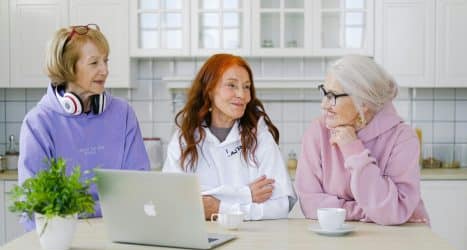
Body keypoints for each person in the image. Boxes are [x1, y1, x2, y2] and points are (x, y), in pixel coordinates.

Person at [18, 24, 150, 229]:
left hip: (119, 233)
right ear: (68, 68)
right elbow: (35, 206)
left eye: (105, 61)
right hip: (61, 238)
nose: (104, 70)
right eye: (94, 63)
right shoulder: (38, 123)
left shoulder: (122, 113)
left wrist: (76, 210)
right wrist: (106, 208)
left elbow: (139, 189)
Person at [295, 55, 429, 226]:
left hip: (398, 239)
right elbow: (310, 204)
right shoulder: (318, 131)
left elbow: (394, 211)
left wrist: (353, 149)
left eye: (332, 96)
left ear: (363, 102)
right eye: (324, 92)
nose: (324, 104)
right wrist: (368, 212)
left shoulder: (402, 138)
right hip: (337, 238)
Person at [163, 53, 296, 220]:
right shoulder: (184, 139)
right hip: (201, 239)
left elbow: (280, 207)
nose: (242, 94)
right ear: (209, 90)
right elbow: (175, 201)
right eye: (232, 85)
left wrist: (219, 208)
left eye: (247, 86)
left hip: (254, 243)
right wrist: (246, 194)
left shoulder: (260, 138)